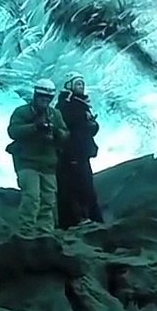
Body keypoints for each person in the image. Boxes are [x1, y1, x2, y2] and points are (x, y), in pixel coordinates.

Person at [6, 79, 69, 234]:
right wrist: (35, 127)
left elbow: (66, 134)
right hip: (26, 162)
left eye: (48, 98)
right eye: (42, 97)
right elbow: (13, 131)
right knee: (32, 197)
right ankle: (26, 231)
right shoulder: (22, 112)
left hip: (48, 163)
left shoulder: (55, 115)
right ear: (35, 95)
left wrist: (56, 132)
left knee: (48, 200)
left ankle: (44, 231)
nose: (44, 100)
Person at [55, 72, 103, 227]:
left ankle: (87, 218)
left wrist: (92, 125)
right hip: (72, 153)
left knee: (84, 185)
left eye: (82, 84)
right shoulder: (66, 105)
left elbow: (84, 129)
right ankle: (79, 218)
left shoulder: (81, 105)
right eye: (77, 84)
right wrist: (86, 122)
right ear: (69, 85)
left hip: (81, 152)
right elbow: (71, 125)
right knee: (77, 186)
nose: (81, 87)